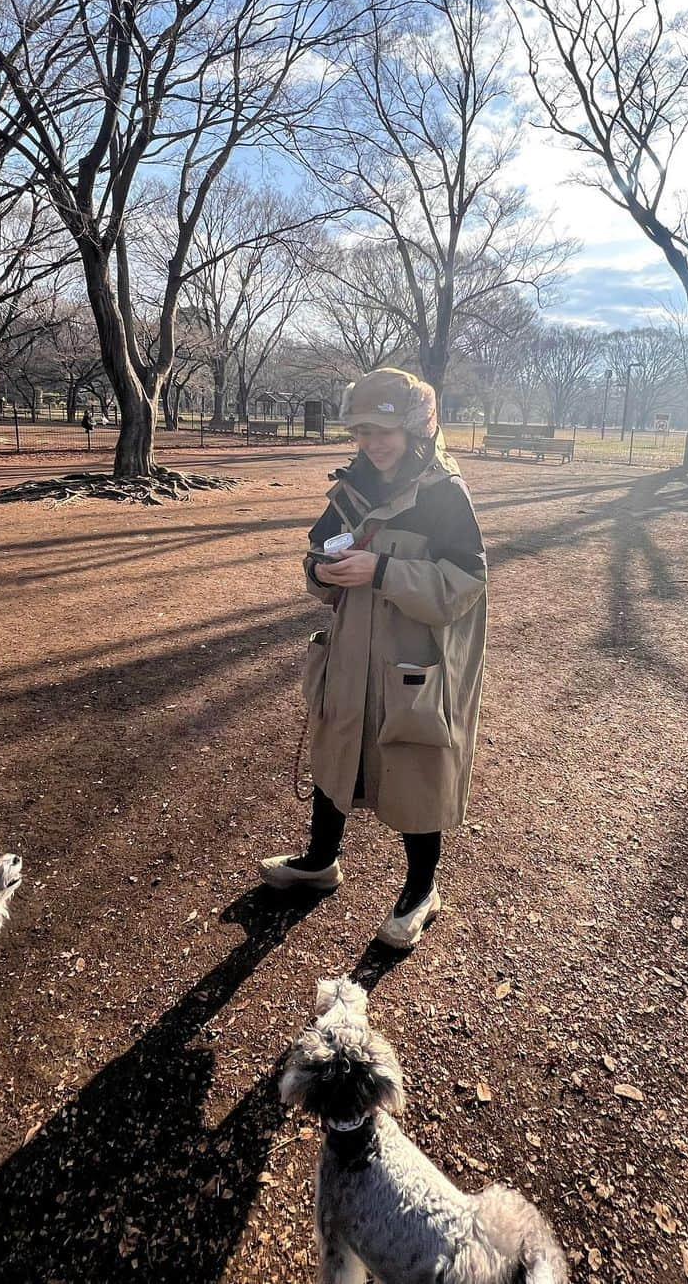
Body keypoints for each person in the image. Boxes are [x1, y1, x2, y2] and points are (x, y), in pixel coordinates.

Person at [260, 368, 487, 949]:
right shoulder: (351, 489)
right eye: (362, 430)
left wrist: (381, 570)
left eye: (385, 429)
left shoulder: (443, 494)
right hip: (350, 653)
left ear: (416, 429)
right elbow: (315, 556)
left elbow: (463, 585)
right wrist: (320, 571)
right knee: (337, 750)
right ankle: (319, 862)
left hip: (414, 662)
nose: (373, 442)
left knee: (416, 767)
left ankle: (421, 890)